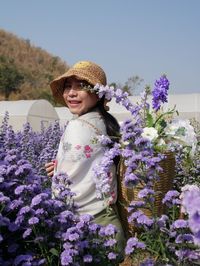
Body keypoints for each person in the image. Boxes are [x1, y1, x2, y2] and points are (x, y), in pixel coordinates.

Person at [45, 60, 125, 253]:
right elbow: (89, 162)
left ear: (97, 93)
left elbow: (65, 188)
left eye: (80, 86)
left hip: (88, 230)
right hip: (110, 226)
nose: (71, 93)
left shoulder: (77, 126)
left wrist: (58, 173)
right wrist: (59, 166)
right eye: (67, 87)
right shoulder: (106, 123)